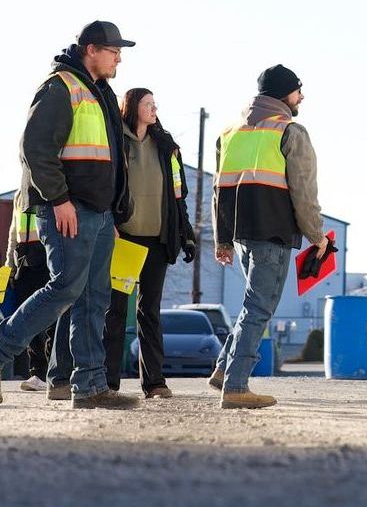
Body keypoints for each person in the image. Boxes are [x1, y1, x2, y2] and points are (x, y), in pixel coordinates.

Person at [0, 21, 139, 409]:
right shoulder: (60, 87)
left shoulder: (100, 93)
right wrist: (59, 199)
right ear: (91, 49)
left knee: (94, 299)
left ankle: (90, 386)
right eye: (113, 50)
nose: (119, 57)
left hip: (98, 212)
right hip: (68, 209)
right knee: (64, 289)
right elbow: (35, 147)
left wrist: (112, 211)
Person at [211, 64, 328, 409]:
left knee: (251, 304)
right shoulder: (290, 131)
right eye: (297, 90)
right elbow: (304, 192)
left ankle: (222, 370)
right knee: (259, 308)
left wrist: (222, 238)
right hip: (273, 232)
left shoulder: (230, 132)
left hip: (242, 235)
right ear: (282, 94)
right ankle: (235, 386)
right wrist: (317, 235)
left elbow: (218, 190)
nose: (301, 96)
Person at [102, 88, 196, 398]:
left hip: (157, 240)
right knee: (115, 312)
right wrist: (110, 225)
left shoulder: (167, 147)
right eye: (147, 103)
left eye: (155, 103)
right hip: (124, 240)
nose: (154, 108)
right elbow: (105, 188)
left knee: (150, 312)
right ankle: (108, 383)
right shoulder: (116, 141)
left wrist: (186, 234)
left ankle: (155, 382)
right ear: (132, 107)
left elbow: (179, 196)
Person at [4, 195, 53, 391]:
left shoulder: (45, 190)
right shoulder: (19, 195)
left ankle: (50, 372)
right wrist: (9, 265)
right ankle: (38, 372)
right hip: (24, 261)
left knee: (51, 319)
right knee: (28, 318)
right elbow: (13, 232)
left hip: (46, 257)